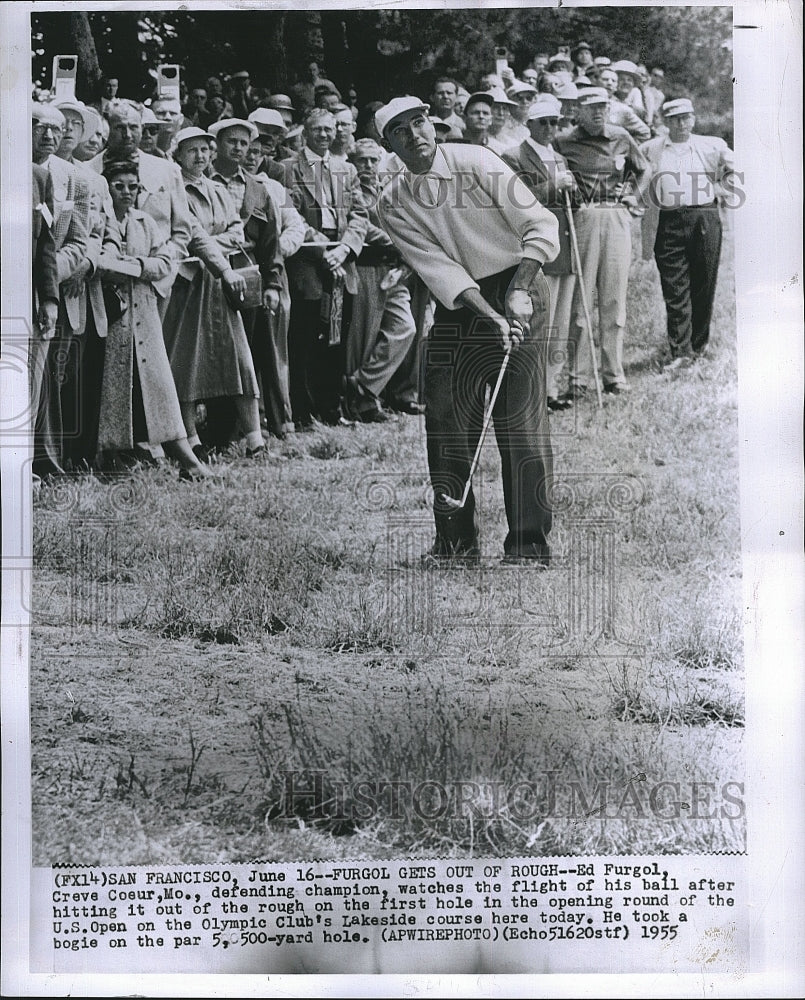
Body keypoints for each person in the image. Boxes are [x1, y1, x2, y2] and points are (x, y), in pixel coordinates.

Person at [376, 96, 560, 565]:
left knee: (519, 422)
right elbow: (440, 272)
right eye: (400, 130)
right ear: (388, 144)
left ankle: (528, 546)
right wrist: (489, 314)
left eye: (419, 123)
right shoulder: (392, 202)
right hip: (460, 304)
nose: (414, 135)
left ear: (432, 125)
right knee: (445, 419)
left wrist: (516, 296)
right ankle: (455, 545)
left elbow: (540, 224)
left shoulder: (476, 160)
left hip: (520, 282)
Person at [96, 160, 209, 479]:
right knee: (114, 390)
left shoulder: (144, 221)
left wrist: (138, 265)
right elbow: (99, 259)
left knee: (159, 388)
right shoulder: (100, 221)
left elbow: (163, 263)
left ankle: (188, 463)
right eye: (120, 186)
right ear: (107, 188)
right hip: (110, 316)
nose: (127, 193)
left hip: (144, 314)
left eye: (133, 187)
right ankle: (113, 459)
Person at [163, 126, 272, 457]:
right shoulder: (173, 190)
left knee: (240, 359)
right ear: (177, 154)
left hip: (222, 285)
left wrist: (213, 245)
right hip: (187, 287)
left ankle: (255, 439)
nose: (199, 156)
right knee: (185, 360)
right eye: (191, 150)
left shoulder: (218, 190)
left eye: (204, 150)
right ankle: (192, 440)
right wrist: (212, 245)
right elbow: (186, 236)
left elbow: (238, 231)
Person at [555, 87, 650, 398]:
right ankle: (578, 379)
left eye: (602, 106)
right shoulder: (564, 140)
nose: (597, 112)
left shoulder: (621, 135)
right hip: (584, 215)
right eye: (590, 106)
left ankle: (613, 375)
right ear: (578, 110)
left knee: (613, 298)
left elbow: (644, 168)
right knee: (580, 301)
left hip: (616, 214)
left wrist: (632, 197)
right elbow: (555, 174)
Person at [282, 109, 369, 428]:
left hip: (341, 259)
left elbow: (360, 214)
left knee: (336, 340)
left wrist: (345, 247)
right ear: (305, 133)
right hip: (308, 262)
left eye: (329, 129)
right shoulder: (289, 168)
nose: (324, 135)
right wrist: (324, 250)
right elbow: (290, 215)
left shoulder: (346, 168)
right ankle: (303, 413)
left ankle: (331, 410)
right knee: (305, 339)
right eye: (317, 129)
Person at [207, 119, 291, 441]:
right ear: (218, 144)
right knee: (217, 348)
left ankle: (252, 427)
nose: (239, 148)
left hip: (250, 271)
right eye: (232, 141)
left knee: (252, 349)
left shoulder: (258, 188)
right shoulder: (204, 181)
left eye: (244, 143)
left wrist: (272, 283)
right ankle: (219, 429)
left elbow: (271, 241)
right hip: (211, 274)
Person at [640, 97, 734, 367]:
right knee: (674, 286)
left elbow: (740, 166)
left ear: (693, 118)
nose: (682, 123)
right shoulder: (650, 149)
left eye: (686, 117)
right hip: (667, 220)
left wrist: (724, 188)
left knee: (703, 283)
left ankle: (698, 345)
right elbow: (632, 173)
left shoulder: (711, 145)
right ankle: (680, 352)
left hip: (702, 217)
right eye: (675, 118)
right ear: (665, 122)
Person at [502, 94, 578, 410]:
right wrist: (553, 185)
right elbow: (517, 201)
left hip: (562, 246)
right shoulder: (513, 156)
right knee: (537, 323)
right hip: (535, 250)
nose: (550, 128)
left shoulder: (558, 157)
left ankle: (549, 389)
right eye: (543, 122)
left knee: (559, 322)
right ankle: (530, 391)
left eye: (554, 122)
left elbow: (570, 203)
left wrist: (571, 188)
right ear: (529, 124)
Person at [30, 102, 92, 478]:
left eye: (58, 129)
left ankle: (34, 463)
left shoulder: (71, 178)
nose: (50, 136)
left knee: (36, 380)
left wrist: (47, 287)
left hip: (47, 290)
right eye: (41, 128)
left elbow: (72, 241)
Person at [343, 138, 418, 422]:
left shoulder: (387, 190)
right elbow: (364, 228)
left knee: (404, 328)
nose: (368, 166)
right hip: (367, 265)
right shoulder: (351, 190)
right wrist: (398, 244)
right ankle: (363, 403)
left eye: (373, 160)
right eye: (362, 160)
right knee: (365, 335)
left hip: (393, 268)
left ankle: (362, 384)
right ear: (352, 162)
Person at [598, 68, 651, 142]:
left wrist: (623, 147)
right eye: (622, 79)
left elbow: (645, 132)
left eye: (613, 80)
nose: (609, 83)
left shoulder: (623, 109)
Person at [247, 108, 289, 184]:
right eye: (265, 130)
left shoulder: (277, 170)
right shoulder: (233, 160)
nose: (271, 137)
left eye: (275, 133)